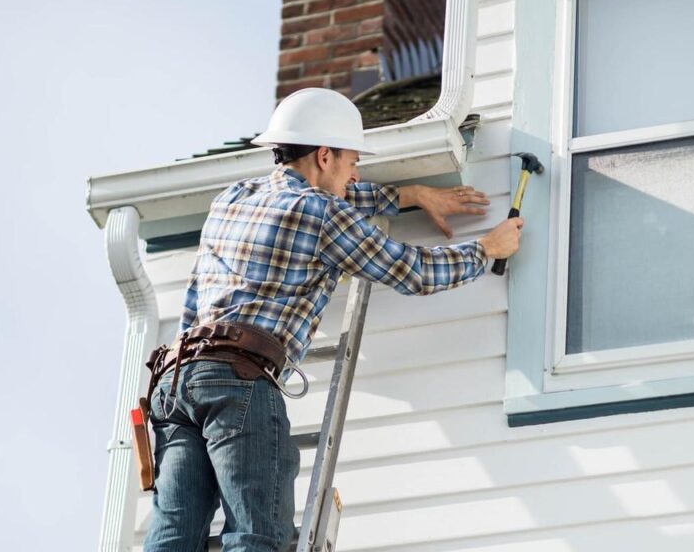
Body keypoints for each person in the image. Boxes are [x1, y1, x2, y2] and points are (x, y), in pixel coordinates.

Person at [143, 88, 523, 551]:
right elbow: (412, 270)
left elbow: (335, 194)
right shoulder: (322, 214)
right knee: (256, 535)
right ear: (324, 155)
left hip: (175, 381)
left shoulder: (233, 197)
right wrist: (485, 249)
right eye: (351, 162)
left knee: (173, 540)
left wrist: (409, 194)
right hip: (239, 379)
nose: (356, 173)